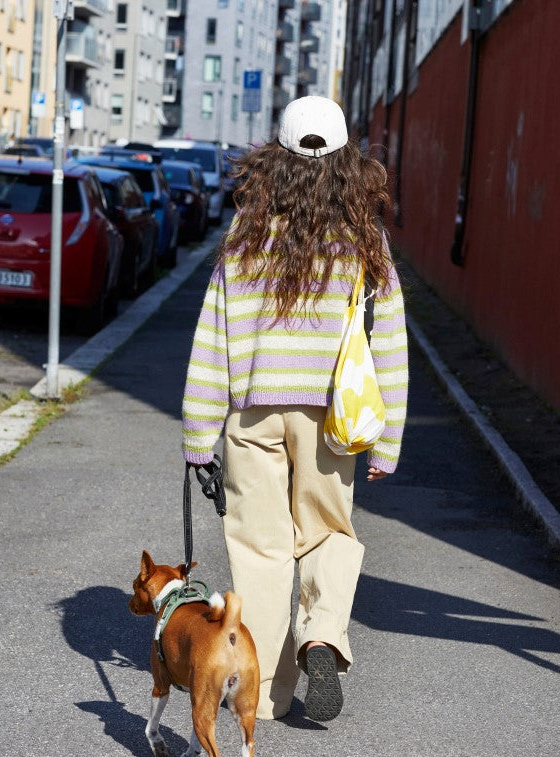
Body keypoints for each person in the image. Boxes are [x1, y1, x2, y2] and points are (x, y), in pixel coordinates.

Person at [181, 96, 408, 722]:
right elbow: (387, 340)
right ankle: (322, 637)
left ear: (274, 159)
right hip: (331, 416)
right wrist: (386, 437)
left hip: (253, 412)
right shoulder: (366, 239)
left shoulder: (245, 233)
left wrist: (199, 436)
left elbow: (213, 338)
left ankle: (265, 692)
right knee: (328, 534)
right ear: (346, 161)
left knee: (260, 549)